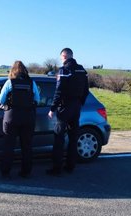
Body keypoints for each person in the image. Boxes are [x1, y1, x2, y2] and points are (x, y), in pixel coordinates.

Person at [47, 48, 89, 176]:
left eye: (61, 57)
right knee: (73, 137)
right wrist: (80, 102)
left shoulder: (64, 70)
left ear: (64, 56)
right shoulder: (82, 70)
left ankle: (56, 168)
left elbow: (59, 91)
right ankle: (70, 165)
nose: (61, 60)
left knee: (59, 137)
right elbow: (86, 90)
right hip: (76, 107)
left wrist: (52, 108)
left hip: (65, 107)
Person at [0, 60, 40, 178]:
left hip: (11, 117)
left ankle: (5, 172)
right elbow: (37, 99)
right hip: (28, 117)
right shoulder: (32, 83)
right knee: (26, 146)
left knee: (8, 145)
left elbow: (1, 100)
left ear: (13, 71)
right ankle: (26, 171)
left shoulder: (9, 82)